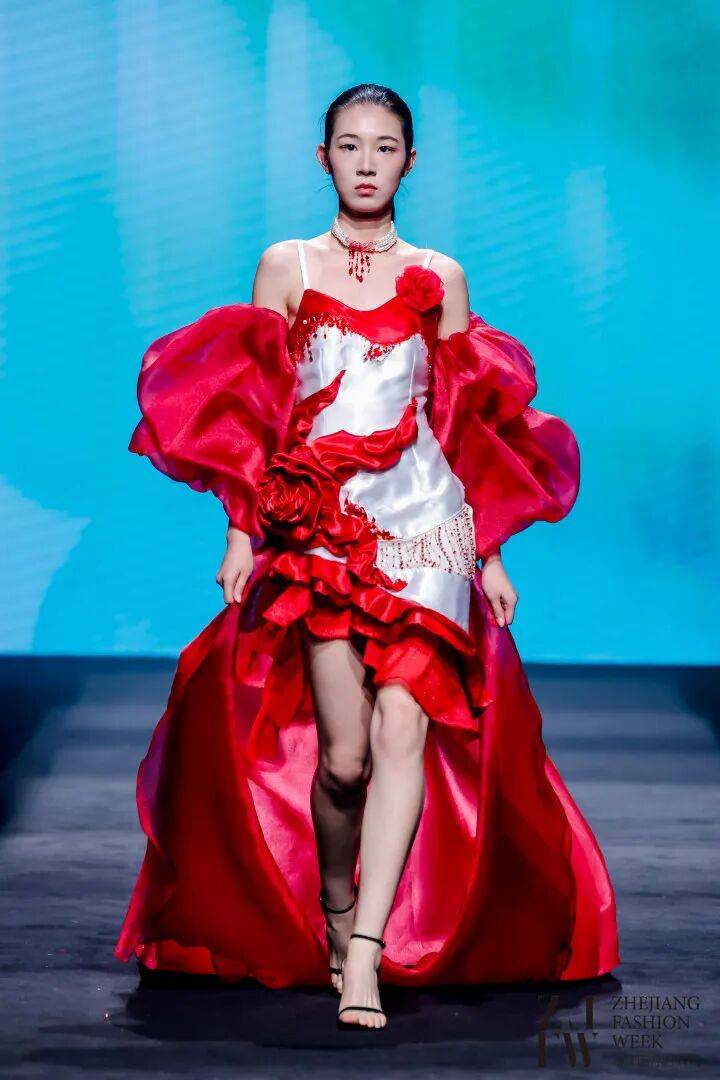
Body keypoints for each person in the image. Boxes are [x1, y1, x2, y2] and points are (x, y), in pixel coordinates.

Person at [114, 83, 620, 1030]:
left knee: (402, 730)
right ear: (323, 158)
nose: (366, 163)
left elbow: (468, 422)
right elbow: (255, 408)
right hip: (319, 526)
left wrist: (490, 551)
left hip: (427, 524)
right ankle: (339, 904)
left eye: (384, 147)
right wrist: (239, 529)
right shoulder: (287, 264)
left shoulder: (440, 274)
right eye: (349, 145)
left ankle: (364, 955)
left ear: (410, 162)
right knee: (344, 760)